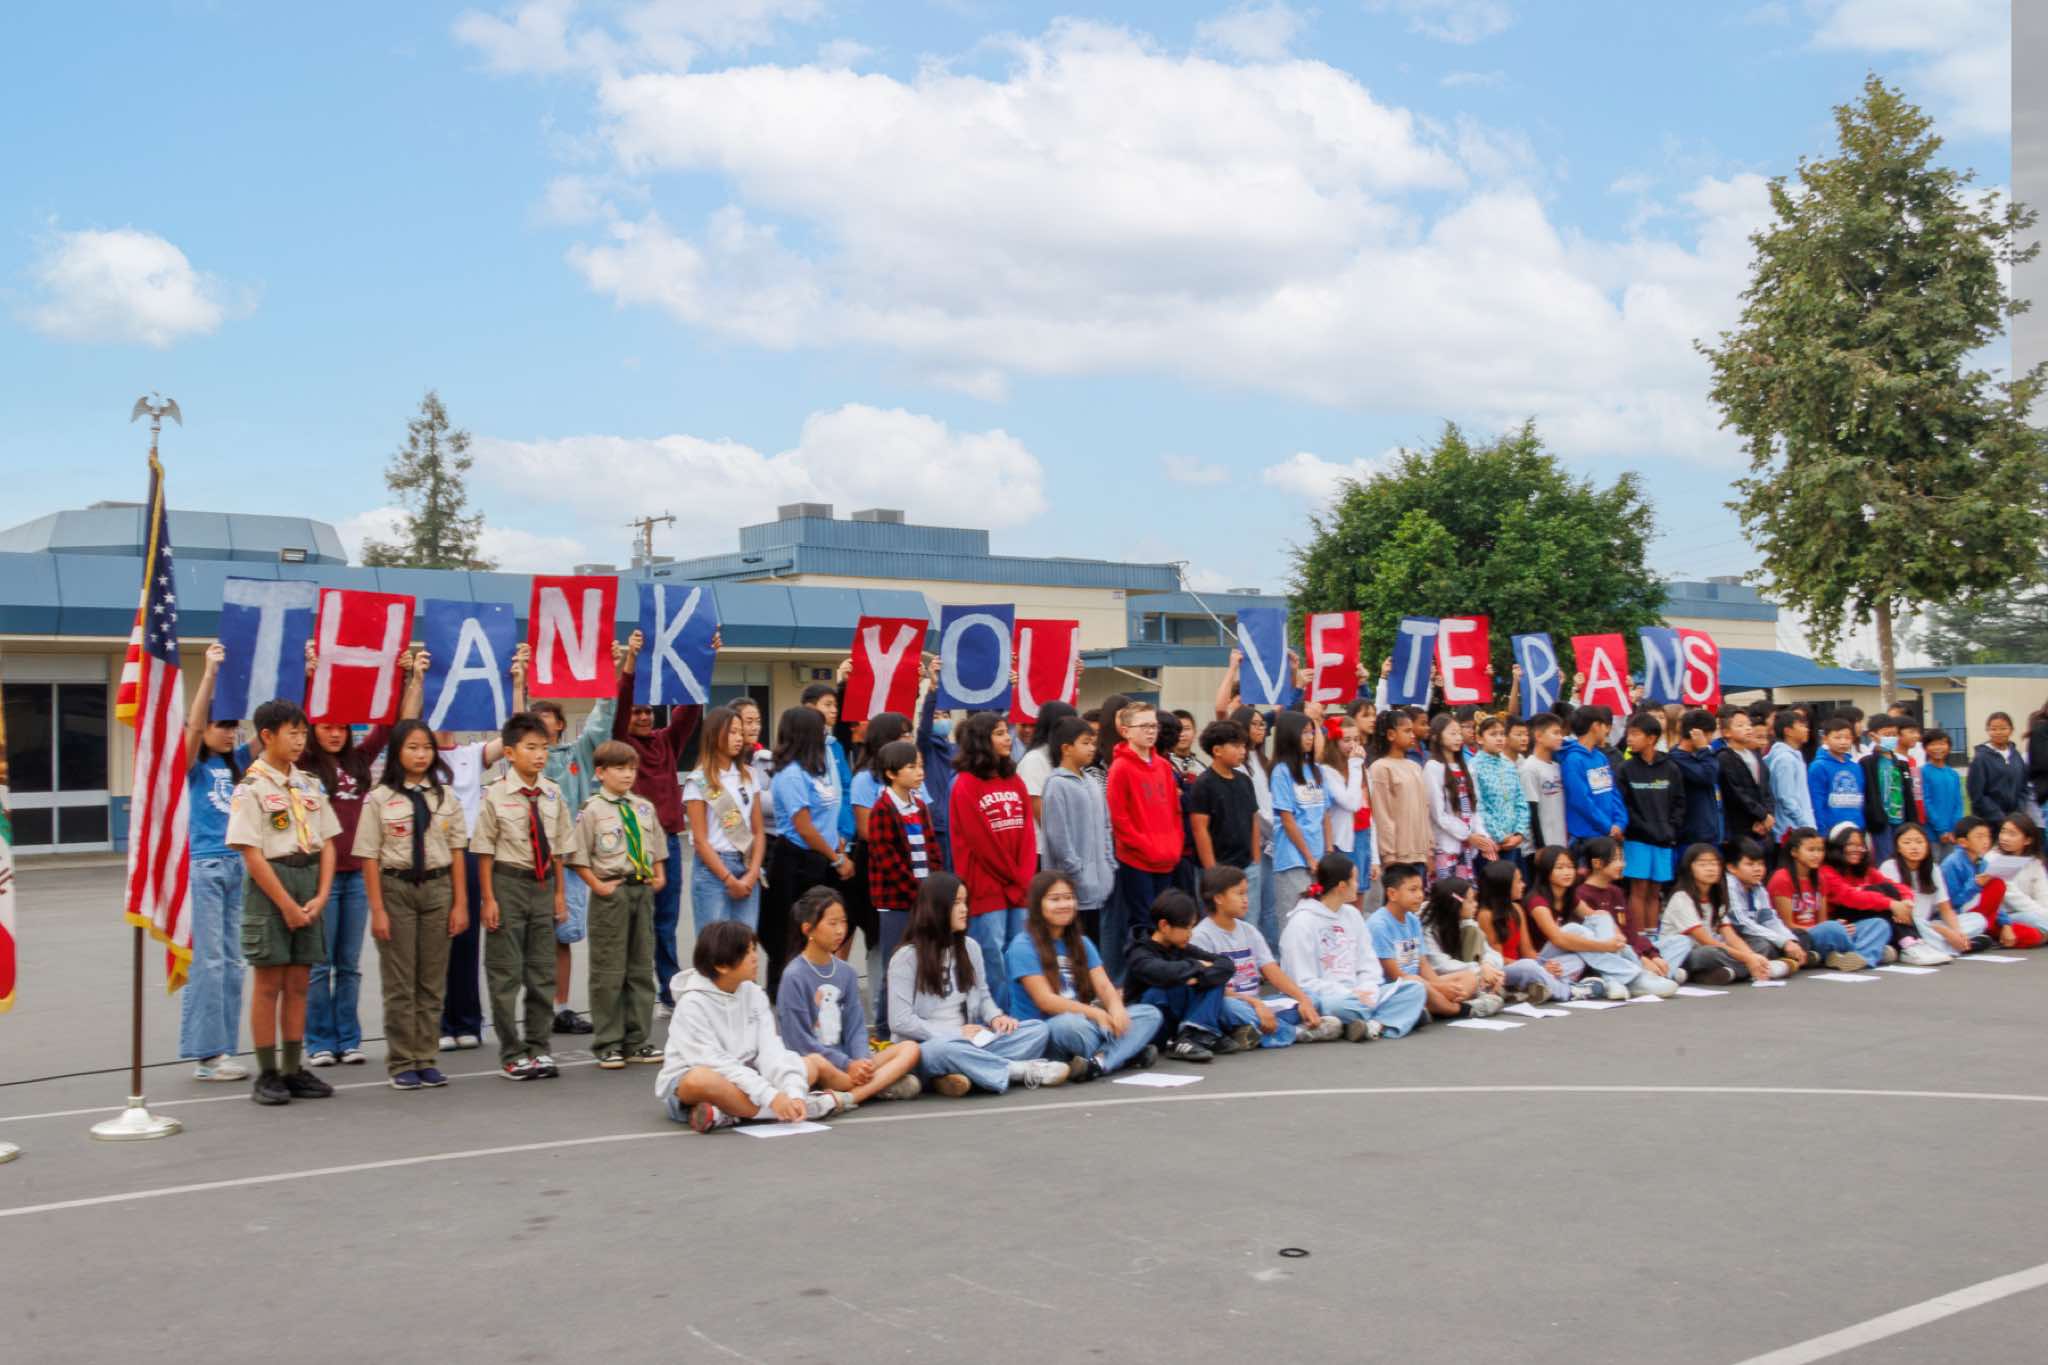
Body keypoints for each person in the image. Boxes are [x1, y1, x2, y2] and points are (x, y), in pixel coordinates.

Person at [227, 698, 342, 1106]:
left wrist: (322, 894)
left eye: (303, 733)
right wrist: (286, 905)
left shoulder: (309, 784)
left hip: (308, 880)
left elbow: (328, 842)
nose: (300, 741)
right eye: (292, 733)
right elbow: (251, 853)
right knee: (269, 982)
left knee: (298, 982)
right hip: (271, 885)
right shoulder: (251, 788)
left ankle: (293, 1068)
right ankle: (268, 1072)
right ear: (267, 736)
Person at [353, 719, 469, 1089]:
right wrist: (378, 910)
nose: (421, 755)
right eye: (412, 747)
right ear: (397, 752)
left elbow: (457, 851)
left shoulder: (445, 797)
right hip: (396, 888)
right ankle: (403, 1061)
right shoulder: (379, 798)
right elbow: (369, 856)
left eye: (427, 748)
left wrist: (460, 904)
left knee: (432, 980)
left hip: (438, 888)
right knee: (400, 982)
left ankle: (426, 1057)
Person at [655, 921, 850, 1132]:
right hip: (706, 1081)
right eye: (748, 952)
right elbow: (715, 1063)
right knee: (699, 1079)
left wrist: (793, 1093)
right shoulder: (692, 1004)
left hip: (749, 1077)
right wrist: (773, 1097)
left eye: (754, 949)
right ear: (722, 965)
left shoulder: (754, 993)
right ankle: (802, 1108)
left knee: (806, 1065)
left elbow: (771, 1050)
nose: (756, 957)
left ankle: (729, 1114)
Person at [886, 872, 1067, 1095]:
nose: (964, 909)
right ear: (936, 908)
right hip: (928, 1045)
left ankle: (964, 1072)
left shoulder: (970, 947)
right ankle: (1018, 1070)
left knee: (1037, 1030)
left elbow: (984, 997)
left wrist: (997, 1018)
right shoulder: (906, 958)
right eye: (956, 903)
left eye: (965, 902)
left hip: (973, 1040)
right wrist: (955, 1032)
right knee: (944, 1050)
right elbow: (900, 1022)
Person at [473, 712, 580, 1081]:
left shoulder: (552, 793)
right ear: (509, 753)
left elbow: (560, 850)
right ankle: (511, 1052)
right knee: (505, 972)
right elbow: (484, 851)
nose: (539, 755)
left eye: (544, 748)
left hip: (543, 885)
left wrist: (560, 894)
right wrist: (489, 899)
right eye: (531, 747)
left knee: (542, 971)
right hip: (508, 883)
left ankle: (538, 1047)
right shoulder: (495, 794)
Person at [612, 628, 708, 1013]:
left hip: (668, 842)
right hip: (634, 845)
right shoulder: (621, 745)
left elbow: (691, 708)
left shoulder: (666, 741)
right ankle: (629, 991)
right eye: (636, 712)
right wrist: (631, 660)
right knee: (634, 922)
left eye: (647, 711)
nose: (642, 716)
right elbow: (621, 701)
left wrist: (703, 656)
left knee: (666, 923)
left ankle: (668, 990)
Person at [1007, 870, 1164, 1080]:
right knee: (1070, 1025)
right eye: (1055, 899)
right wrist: (1097, 1014)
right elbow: (1045, 1001)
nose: (1064, 904)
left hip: (1087, 1023)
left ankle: (1100, 1062)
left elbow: (1105, 987)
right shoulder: (1023, 945)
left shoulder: (1082, 942)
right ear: (1037, 905)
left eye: (1068, 897)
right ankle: (1125, 1053)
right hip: (1049, 1028)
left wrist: (1116, 1009)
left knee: (1149, 1013)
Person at [565, 740, 664, 1069]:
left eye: (632, 768)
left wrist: (659, 874)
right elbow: (577, 856)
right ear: (600, 772)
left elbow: (657, 845)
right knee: (608, 970)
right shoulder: (592, 810)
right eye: (619, 768)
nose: (627, 774)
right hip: (612, 891)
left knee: (640, 968)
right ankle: (608, 1042)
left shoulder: (643, 807)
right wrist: (597, 885)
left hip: (642, 889)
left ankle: (637, 1040)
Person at [775, 887, 923, 1103]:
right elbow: (799, 1042)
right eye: (832, 923)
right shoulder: (794, 976)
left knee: (910, 1049)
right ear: (808, 929)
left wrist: (862, 1062)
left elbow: (856, 1027)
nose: (840, 930)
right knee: (817, 1063)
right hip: (820, 1065)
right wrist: (847, 1064)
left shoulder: (846, 972)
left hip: (851, 1063)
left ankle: (850, 1094)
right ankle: (873, 1087)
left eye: (843, 922)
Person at [180, 641, 253, 1081]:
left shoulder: (240, 762)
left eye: (233, 727)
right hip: (205, 866)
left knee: (233, 962)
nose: (229, 733)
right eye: (221, 726)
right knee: (208, 961)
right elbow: (191, 727)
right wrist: (209, 674)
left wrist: (302, 676)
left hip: (238, 866)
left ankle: (222, 1049)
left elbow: (273, 731)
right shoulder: (194, 767)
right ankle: (207, 1055)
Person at [300, 700, 381, 1068]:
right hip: (323, 877)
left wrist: (408, 680)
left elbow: (387, 726)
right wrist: (309, 682)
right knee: (320, 965)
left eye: (342, 727)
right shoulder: (304, 764)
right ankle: (319, 1041)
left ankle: (349, 1040)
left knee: (349, 965)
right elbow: (296, 719)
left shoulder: (359, 761)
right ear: (313, 729)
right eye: (327, 726)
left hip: (358, 876)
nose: (335, 734)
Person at [531, 691, 614, 1037]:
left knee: (563, 936)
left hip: (569, 862)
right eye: (533, 719)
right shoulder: (527, 762)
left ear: (561, 724)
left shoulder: (576, 754)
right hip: (532, 862)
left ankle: (560, 1008)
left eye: (545, 717)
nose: (539, 724)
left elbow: (599, 727)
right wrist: (518, 684)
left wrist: (607, 689)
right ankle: (535, 1009)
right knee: (532, 937)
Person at [1279, 851, 1429, 1039]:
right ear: (1342, 886)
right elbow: (1303, 981)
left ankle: (1370, 1026)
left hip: (1361, 994)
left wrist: (1368, 988)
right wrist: (1351, 993)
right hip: (1329, 998)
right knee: (1342, 1005)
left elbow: (1368, 963)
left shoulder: (1352, 915)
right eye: (1355, 880)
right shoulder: (1302, 922)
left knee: (1415, 989)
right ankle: (1387, 1018)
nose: (1358, 886)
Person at [948, 711, 1036, 1013]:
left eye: (1006, 732)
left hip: (1019, 886)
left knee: (1020, 954)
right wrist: (1015, 876)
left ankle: (1021, 1017)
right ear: (982, 740)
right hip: (986, 885)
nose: (1007, 738)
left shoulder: (1014, 780)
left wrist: (1024, 877)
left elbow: (1027, 833)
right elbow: (980, 841)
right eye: (999, 733)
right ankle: (994, 1017)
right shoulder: (965, 784)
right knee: (991, 957)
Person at [1193, 864, 1336, 1046]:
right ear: (1218, 898)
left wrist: (1303, 1000)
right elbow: (1213, 991)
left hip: (1259, 1005)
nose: (1246, 899)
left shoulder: (1249, 931)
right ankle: (1296, 1032)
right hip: (1234, 1003)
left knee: (1311, 997)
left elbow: (1272, 971)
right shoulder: (1201, 936)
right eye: (1239, 894)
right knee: (1228, 1008)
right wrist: (1255, 1004)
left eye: (1246, 893)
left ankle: (1249, 1033)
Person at [762, 706, 849, 999]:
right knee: (791, 933)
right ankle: (784, 994)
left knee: (821, 930)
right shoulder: (791, 774)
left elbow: (827, 816)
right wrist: (837, 859)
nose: (825, 735)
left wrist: (838, 847)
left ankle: (816, 989)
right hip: (795, 860)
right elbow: (804, 827)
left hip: (821, 857)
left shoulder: (818, 770)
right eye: (820, 730)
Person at [865, 737, 945, 1035]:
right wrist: (918, 895)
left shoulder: (919, 805)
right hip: (896, 902)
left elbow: (932, 849)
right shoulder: (882, 809)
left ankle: (915, 1024)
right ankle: (884, 1029)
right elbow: (889, 861)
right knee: (895, 965)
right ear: (891, 773)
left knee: (924, 962)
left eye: (920, 766)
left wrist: (933, 887)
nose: (919, 772)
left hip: (923, 898)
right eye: (911, 767)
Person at [1106, 702, 1186, 978]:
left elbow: (1175, 811)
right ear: (1126, 731)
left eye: (1154, 725)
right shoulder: (1120, 768)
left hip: (1167, 858)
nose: (1151, 731)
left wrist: (1174, 845)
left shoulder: (1163, 766)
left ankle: (1163, 975)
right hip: (1137, 860)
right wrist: (1147, 846)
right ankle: (1142, 980)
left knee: (1165, 922)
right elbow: (1119, 819)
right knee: (1143, 924)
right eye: (1144, 726)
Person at [1542, 838, 1679, 998]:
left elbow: (1629, 933)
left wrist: (1652, 955)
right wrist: (1638, 957)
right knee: (1578, 931)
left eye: (1570, 867)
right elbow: (1571, 939)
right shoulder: (1580, 893)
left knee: (1681, 941)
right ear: (1597, 863)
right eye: (1616, 859)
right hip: (1586, 953)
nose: (1622, 864)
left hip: (1617, 950)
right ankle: (1633, 976)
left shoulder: (1614, 892)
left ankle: (1646, 974)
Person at [681, 704, 766, 939]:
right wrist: (728, 879)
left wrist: (753, 872)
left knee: (745, 943)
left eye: (740, 732)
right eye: (732, 732)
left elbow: (758, 830)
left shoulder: (749, 775)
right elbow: (700, 840)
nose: (738, 738)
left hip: (746, 864)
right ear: (714, 734)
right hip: (713, 870)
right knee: (714, 945)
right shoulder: (699, 780)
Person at [1121, 889, 1235, 1061]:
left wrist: (1199, 977)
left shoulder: (1181, 947)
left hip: (1176, 1022)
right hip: (1149, 1025)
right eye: (1186, 928)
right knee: (1165, 985)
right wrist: (1197, 966)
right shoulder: (1139, 952)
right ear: (1164, 926)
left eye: (1192, 927)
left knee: (1214, 980)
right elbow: (1163, 973)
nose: (1191, 934)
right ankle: (1194, 1035)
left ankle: (1194, 1034)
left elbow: (1226, 964)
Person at [1367, 863, 1487, 1016]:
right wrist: (1438, 988)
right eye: (1413, 890)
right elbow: (1395, 975)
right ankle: (1458, 1009)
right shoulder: (1379, 924)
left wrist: (1439, 985)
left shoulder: (1412, 920)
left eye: (1421, 889)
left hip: (1423, 985)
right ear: (1392, 894)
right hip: (1397, 988)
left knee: (1469, 977)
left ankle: (1432, 1007)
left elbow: (1423, 964)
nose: (1420, 895)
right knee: (1417, 983)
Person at [1660, 843, 1780, 984]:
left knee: (1761, 944)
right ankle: (1741, 970)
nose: (1710, 869)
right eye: (1703, 864)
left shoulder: (1716, 896)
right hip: (1689, 953)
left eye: (1714, 864)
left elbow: (1730, 936)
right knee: (1708, 953)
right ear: (1689, 868)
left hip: (1717, 949)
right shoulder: (1681, 898)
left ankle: (1727, 972)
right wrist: (1748, 959)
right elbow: (1706, 941)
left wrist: (1751, 956)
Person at [1039, 716, 1113, 942]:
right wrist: (1076, 871)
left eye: (1093, 743)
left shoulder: (1091, 781)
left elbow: (1106, 825)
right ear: (1066, 748)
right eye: (1085, 743)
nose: (1092, 748)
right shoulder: (1057, 784)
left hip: (1099, 885)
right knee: (1072, 945)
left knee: (1093, 944)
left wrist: (1109, 863)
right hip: (1071, 889)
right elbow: (1058, 836)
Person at [1817, 826, 1923, 968]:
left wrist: (1906, 901)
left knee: (1884, 909)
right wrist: (1891, 904)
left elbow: (1895, 886)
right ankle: (1906, 942)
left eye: (1860, 845)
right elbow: (1850, 897)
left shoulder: (1865, 870)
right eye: (1850, 845)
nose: (1856, 849)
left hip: (1862, 922)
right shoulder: (1826, 871)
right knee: (1876, 893)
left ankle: (1861, 955)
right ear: (1837, 846)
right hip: (1840, 922)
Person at [1187, 720, 1259, 927]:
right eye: (1236, 746)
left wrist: (1255, 859)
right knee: (1218, 924)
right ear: (1217, 750)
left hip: (1247, 866)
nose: (1242, 751)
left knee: (1249, 923)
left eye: (1244, 746)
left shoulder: (1244, 780)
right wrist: (1212, 871)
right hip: (1218, 867)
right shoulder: (1203, 784)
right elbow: (1199, 829)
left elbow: (1253, 818)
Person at [1471, 857, 1574, 1003]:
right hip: (1504, 969)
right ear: (1505, 886)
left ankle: (1543, 983)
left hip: (1525, 964)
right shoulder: (1486, 915)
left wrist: (1545, 965)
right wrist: (1541, 967)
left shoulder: (1517, 909)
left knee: (1573, 936)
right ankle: (1570, 991)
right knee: (1528, 967)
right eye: (1518, 881)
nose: (1523, 885)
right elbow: (1497, 960)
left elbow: (1527, 950)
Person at [1618, 712, 1684, 935]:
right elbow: (1624, 806)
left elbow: (1679, 802)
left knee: (1655, 891)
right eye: (1628, 733)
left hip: (1664, 840)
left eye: (1635, 734)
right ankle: (1639, 938)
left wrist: (1671, 829)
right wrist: (1642, 828)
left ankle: (1653, 935)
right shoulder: (1625, 769)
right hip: (1637, 840)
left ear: (1651, 738)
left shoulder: (1670, 768)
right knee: (1639, 888)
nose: (1629, 739)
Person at [1417, 873, 1520, 1015]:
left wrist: (1487, 966)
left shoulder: (1467, 922)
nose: (1475, 905)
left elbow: (1491, 953)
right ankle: (1459, 1007)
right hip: (1437, 979)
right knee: (1470, 979)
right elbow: (1439, 964)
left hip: (1464, 975)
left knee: (1477, 973)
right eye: (1470, 901)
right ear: (1456, 903)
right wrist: (1480, 971)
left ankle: (1466, 1000)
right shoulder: (1426, 924)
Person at [1880, 822, 1978, 961]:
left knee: (1978, 919)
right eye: (1907, 842)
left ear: (1927, 845)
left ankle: (1952, 943)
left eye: (1919, 842)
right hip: (1905, 925)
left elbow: (1946, 909)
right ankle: (1959, 945)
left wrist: (1957, 932)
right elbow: (1902, 915)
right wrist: (1943, 931)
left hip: (1928, 926)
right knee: (1919, 923)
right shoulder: (1889, 867)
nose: (1914, 847)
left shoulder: (1933, 869)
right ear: (1898, 847)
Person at [1268, 710, 1330, 912]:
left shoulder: (1317, 770)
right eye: (1304, 733)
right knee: (1294, 916)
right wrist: (1309, 857)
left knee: (1317, 917)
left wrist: (1328, 852)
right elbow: (1287, 820)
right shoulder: (1281, 772)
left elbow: (1325, 815)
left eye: (1312, 732)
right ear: (1290, 735)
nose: (1310, 738)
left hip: (1319, 857)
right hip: (1292, 858)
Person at [1721, 837, 1809, 974]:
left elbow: (1769, 919)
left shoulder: (1758, 887)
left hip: (1756, 934)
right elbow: (1742, 923)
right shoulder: (1729, 885)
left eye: (1761, 864)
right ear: (1732, 867)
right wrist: (1782, 942)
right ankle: (1736, 971)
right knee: (1763, 945)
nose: (1758, 869)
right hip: (1734, 939)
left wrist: (1789, 940)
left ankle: (1785, 960)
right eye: (1750, 864)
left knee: (1799, 936)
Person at [1424, 714, 1493, 883]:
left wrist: (1482, 836)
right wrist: (1468, 835)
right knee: (1448, 891)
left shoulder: (1465, 767)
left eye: (1459, 734)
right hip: (1447, 845)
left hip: (1467, 846)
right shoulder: (1433, 767)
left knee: (1466, 891)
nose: (1458, 738)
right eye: (1452, 733)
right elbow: (1438, 814)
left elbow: (1474, 808)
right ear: (1437, 737)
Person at [1366, 708, 1431, 883]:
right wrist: (1388, 854)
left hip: (1419, 852)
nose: (1412, 735)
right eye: (1407, 731)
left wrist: (1429, 847)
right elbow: (1382, 814)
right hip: (1398, 855)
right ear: (1391, 734)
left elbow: (1424, 808)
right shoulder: (1380, 768)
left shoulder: (1414, 766)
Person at [1938, 816, 2015, 947]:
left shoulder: (1983, 862)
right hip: (1960, 916)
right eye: (1979, 837)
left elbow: (1995, 902)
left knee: (2031, 935)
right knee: (1997, 884)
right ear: (1963, 842)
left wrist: (2006, 924)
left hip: (1983, 914)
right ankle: (1979, 935)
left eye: (1987, 836)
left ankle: (1985, 935)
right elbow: (1951, 903)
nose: (1985, 841)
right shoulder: (1951, 864)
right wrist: (1975, 884)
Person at [1017, 699, 1078, 863]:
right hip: (1042, 850)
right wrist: (1063, 844)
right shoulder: (1034, 759)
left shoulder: (1059, 756)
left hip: (1063, 847)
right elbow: (1039, 810)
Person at [1559, 706, 1626, 847]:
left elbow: (1613, 791)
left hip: (1609, 833)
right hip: (1587, 837)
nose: (1606, 731)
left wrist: (1620, 822)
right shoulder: (1573, 760)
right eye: (1603, 725)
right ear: (1595, 726)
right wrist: (1608, 826)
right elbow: (1581, 800)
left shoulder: (1600, 757)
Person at [1469, 715, 1528, 870]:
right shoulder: (1474, 766)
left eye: (1502, 734)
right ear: (1480, 739)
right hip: (1490, 843)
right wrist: (1500, 837)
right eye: (1493, 734)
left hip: (1513, 841)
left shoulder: (1508, 764)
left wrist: (1519, 833)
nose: (1500, 738)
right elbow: (1479, 806)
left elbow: (1520, 800)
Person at [1858, 715, 1914, 866]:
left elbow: (1907, 794)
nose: (1891, 738)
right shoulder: (1867, 762)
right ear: (1873, 736)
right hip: (1881, 820)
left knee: (1902, 858)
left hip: (1900, 819)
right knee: (1886, 859)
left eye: (1894, 734)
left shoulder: (1901, 763)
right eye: (1886, 734)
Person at [1716, 709, 1774, 854]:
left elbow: (1766, 788)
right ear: (1726, 732)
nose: (1747, 728)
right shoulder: (1724, 757)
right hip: (1739, 825)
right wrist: (1761, 815)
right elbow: (1736, 793)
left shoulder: (1755, 755)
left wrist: (1768, 814)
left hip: (1762, 825)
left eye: (1748, 725)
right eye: (1740, 725)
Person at [1669, 708, 1723, 852]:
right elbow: (1708, 776)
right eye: (1710, 735)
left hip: (1709, 835)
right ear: (1697, 734)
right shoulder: (1677, 758)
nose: (1711, 740)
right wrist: (1704, 749)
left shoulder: (1701, 756)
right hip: (1690, 838)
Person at [1988, 815, 2048, 940]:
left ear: (2027, 840)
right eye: (2003, 831)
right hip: (2003, 917)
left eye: (2012, 834)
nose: (2004, 838)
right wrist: (2044, 916)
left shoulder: (2034, 862)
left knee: (2035, 924)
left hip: (2032, 913)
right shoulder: (1993, 858)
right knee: (2032, 919)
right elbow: (2014, 898)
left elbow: (2044, 895)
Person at [1765, 709, 1816, 849]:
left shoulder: (1794, 756)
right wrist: (1805, 824)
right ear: (1788, 731)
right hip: (1790, 832)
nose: (1807, 730)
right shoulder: (1785, 759)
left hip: (1797, 828)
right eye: (1801, 725)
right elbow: (1786, 797)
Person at [1807, 717, 1866, 835]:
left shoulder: (1856, 767)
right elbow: (1817, 801)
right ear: (1825, 739)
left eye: (1847, 738)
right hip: (1831, 828)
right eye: (1837, 737)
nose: (1843, 742)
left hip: (1856, 828)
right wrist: (1822, 830)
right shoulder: (1819, 766)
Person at [1968, 712, 2029, 822]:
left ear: (2011, 730)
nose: (1998, 732)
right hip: (1989, 821)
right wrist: (1999, 817)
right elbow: (1977, 794)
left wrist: (2018, 814)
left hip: (2014, 820)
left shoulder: (2016, 756)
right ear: (1987, 730)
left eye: (2003, 728)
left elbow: (2023, 788)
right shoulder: (1981, 758)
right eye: (1993, 729)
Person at [1520, 713, 1568, 848]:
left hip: (1561, 841)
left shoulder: (1557, 767)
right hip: (1543, 845)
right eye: (1555, 733)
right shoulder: (1530, 768)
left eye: (1561, 733)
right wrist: (1541, 847)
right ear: (1539, 736)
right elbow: (1531, 810)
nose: (1560, 737)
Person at [1920, 730, 1965, 848]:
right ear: (1925, 748)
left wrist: (1955, 828)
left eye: (1942, 744)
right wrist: (1941, 829)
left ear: (1949, 747)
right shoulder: (1923, 772)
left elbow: (1958, 803)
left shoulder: (1953, 774)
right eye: (1933, 744)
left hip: (1952, 835)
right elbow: (1926, 802)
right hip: (1932, 834)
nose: (1938, 748)